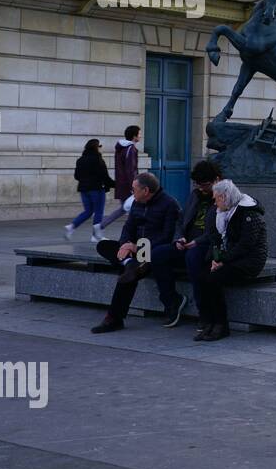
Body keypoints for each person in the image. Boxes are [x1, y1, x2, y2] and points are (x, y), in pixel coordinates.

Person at [90, 173, 182, 333]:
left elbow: (166, 237)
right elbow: (128, 227)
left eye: (134, 190)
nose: (132, 193)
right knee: (103, 245)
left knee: (129, 274)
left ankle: (114, 318)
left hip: (152, 250)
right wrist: (125, 244)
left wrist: (137, 248)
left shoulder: (169, 204)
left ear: (145, 190)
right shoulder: (137, 203)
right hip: (134, 251)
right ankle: (131, 263)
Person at [150, 160, 223, 328]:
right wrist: (179, 238)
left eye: (205, 185)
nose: (201, 188)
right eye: (198, 185)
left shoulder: (224, 197)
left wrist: (197, 242)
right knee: (157, 254)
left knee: (193, 259)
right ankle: (171, 302)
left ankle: (203, 312)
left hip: (207, 244)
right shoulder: (195, 195)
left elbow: (219, 230)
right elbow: (181, 221)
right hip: (188, 241)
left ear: (217, 180)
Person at [193, 179, 268, 342]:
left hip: (249, 260)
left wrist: (223, 261)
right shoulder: (222, 211)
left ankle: (221, 325)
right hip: (230, 258)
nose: (214, 201)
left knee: (213, 279)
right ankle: (208, 321)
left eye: (216, 198)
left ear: (225, 197)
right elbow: (217, 238)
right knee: (200, 276)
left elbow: (246, 245)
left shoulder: (249, 212)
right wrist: (216, 258)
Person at [64, 139, 114, 243]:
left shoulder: (81, 159)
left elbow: (76, 176)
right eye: (100, 146)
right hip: (96, 189)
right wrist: (115, 184)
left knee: (88, 211)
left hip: (83, 189)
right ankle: (96, 236)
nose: (101, 148)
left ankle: (71, 226)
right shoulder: (98, 159)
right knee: (98, 211)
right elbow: (104, 176)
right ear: (96, 147)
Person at [101, 125, 141, 228]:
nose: (140, 136)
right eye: (139, 134)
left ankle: (101, 226)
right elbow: (130, 170)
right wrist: (134, 186)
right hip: (128, 186)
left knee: (125, 209)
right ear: (134, 136)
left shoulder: (122, 148)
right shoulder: (130, 149)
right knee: (137, 210)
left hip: (122, 184)